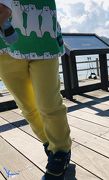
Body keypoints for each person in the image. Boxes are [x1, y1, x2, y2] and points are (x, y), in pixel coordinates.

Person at [0, 1, 72, 179]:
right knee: (28, 107)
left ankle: (61, 150)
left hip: (41, 34)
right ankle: (51, 145)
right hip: (3, 46)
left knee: (48, 103)